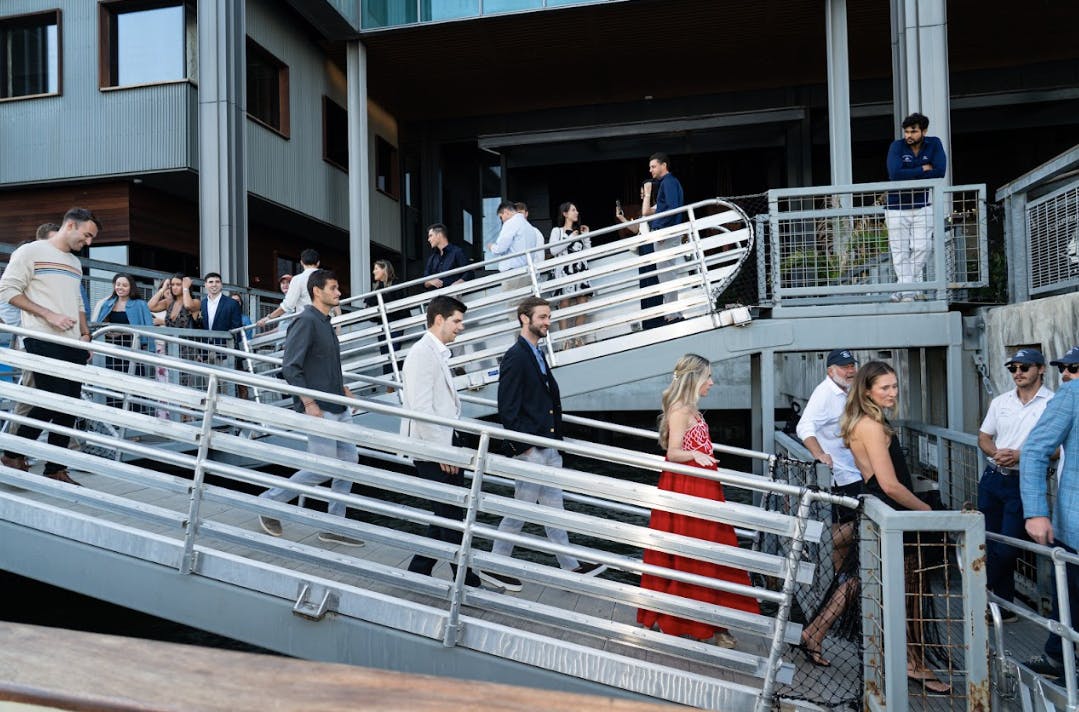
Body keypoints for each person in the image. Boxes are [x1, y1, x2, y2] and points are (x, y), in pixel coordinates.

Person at [478, 296, 605, 591]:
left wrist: (553, 443)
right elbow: (507, 407)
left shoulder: (536, 352)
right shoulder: (516, 356)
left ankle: (570, 566)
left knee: (553, 508)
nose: (548, 322)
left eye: (549, 317)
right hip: (532, 448)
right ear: (525, 318)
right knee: (521, 509)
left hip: (547, 446)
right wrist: (525, 448)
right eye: (543, 317)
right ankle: (496, 565)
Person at [841, 360, 949, 693]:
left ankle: (813, 635)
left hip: (885, 513)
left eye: (895, 386)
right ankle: (913, 664)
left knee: (867, 582)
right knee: (908, 593)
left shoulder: (865, 422)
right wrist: (928, 512)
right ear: (867, 390)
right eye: (884, 387)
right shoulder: (872, 426)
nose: (892, 392)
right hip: (894, 514)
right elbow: (889, 484)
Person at [637, 354, 759, 648]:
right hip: (687, 488)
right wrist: (696, 455)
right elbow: (673, 452)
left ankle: (712, 620)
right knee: (691, 554)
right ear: (695, 379)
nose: (712, 383)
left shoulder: (692, 409)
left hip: (703, 487)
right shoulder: (680, 410)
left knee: (711, 552)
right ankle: (690, 622)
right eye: (708, 377)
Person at [257, 269, 364, 548]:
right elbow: (290, 366)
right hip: (319, 408)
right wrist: (309, 403)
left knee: (349, 464)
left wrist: (343, 387)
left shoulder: (325, 323)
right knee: (321, 468)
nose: (339, 293)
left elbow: (324, 363)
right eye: (334, 288)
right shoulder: (305, 320)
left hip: (337, 404)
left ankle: (334, 525)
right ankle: (270, 502)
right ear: (317, 291)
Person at [0, 207, 98, 486]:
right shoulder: (30, 252)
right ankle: (12, 453)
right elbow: (7, 291)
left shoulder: (75, 263)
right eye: (87, 235)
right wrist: (48, 314)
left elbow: (77, 302)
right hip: (41, 336)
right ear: (71, 226)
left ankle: (55, 468)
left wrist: (84, 334)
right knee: (53, 398)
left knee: (70, 405)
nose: (88, 243)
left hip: (72, 341)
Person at [400, 295, 486, 588]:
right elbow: (422, 409)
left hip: (441, 446)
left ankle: (417, 573)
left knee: (445, 515)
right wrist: (443, 453)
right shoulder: (422, 353)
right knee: (451, 516)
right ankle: (467, 579)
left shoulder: (434, 352)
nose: (461, 327)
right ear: (439, 319)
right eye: (457, 321)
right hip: (433, 449)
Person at [795, 349, 861, 666]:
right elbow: (804, 426)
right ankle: (810, 546)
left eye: (853, 366)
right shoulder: (826, 393)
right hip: (848, 482)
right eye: (845, 366)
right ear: (831, 369)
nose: (851, 370)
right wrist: (820, 454)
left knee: (846, 572)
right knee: (853, 570)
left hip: (857, 478)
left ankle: (821, 632)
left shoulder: (850, 392)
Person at [977, 348, 1053, 618]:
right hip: (992, 478)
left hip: (1025, 481)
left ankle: (976, 590)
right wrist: (995, 452)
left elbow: (1058, 448)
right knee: (988, 541)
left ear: (1041, 369)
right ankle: (1003, 606)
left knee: (1007, 547)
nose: (1018, 373)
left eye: (1024, 368)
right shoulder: (1000, 402)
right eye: (1013, 369)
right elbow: (984, 437)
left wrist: (1021, 455)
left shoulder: (1052, 403)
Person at [1021, 373, 1079, 680]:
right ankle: (1059, 659)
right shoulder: (1073, 393)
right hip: (1075, 527)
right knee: (1070, 599)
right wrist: (1036, 512)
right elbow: (1034, 449)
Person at [885, 112, 947, 302]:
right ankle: (908, 293)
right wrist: (922, 169)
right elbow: (895, 174)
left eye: (913, 131)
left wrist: (910, 173)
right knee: (899, 252)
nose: (908, 135)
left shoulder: (934, 143)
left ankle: (901, 289)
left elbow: (940, 172)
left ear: (924, 131)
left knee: (923, 247)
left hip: (922, 205)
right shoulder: (897, 146)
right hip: (895, 207)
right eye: (906, 132)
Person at [93, 273, 155, 409]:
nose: (120, 287)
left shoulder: (140, 304)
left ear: (131, 287)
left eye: (125, 285)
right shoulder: (107, 303)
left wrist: (150, 349)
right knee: (112, 384)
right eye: (118, 284)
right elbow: (100, 324)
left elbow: (148, 327)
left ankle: (136, 418)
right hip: (111, 350)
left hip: (132, 349)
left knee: (134, 384)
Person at [644, 153, 685, 325]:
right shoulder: (669, 183)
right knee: (666, 273)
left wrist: (660, 229)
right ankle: (672, 312)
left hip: (666, 234)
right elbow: (652, 211)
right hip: (668, 232)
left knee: (666, 273)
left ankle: (672, 314)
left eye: (653, 166)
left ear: (663, 165)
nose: (650, 170)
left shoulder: (668, 182)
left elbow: (672, 208)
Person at [548, 202, 591, 349]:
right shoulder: (557, 231)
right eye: (573, 210)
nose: (577, 212)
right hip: (564, 272)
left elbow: (587, 252)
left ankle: (578, 337)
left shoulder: (579, 231)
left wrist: (586, 236)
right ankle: (565, 340)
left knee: (582, 302)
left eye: (576, 210)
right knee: (564, 303)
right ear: (565, 213)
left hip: (580, 271)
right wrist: (570, 238)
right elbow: (553, 250)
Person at [364, 259, 410, 379]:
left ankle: (395, 384)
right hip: (383, 326)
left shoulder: (396, 285)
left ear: (384, 269)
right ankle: (391, 386)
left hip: (395, 325)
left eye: (376, 269)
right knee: (386, 356)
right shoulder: (377, 288)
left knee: (393, 354)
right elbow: (369, 308)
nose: (373, 272)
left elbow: (398, 308)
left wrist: (381, 311)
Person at [258, 249, 320, 329]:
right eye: (283, 283)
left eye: (288, 282)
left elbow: (287, 306)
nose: (285, 285)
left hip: (307, 324)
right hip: (326, 322)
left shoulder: (298, 279)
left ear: (301, 262)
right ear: (318, 263)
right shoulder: (328, 278)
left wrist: (269, 317)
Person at [487, 200, 539, 292]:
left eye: (501, 217)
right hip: (527, 271)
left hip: (513, 273)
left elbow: (500, 248)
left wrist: (491, 247)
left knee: (514, 304)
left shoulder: (511, 223)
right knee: (526, 304)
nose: (502, 220)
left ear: (506, 212)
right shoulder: (529, 227)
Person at [423, 224, 473, 291]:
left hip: (454, 295)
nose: (428, 239)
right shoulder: (432, 258)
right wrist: (430, 281)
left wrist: (458, 283)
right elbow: (424, 281)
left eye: (430, 236)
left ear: (439, 235)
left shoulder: (457, 252)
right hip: (436, 297)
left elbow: (469, 273)